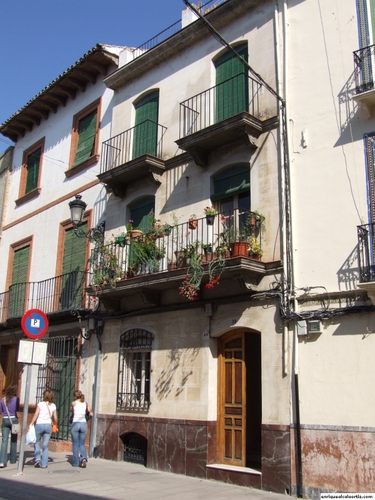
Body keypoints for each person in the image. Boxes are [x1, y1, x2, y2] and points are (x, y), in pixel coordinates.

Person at [29, 389, 58, 468]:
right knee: (45, 445)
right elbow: (55, 418)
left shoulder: (40, 404)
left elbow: (36, 415)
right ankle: (44, 464)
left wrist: (31, 424)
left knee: (37, 442)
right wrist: (55, 423)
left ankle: (38, 459)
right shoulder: (53, 405)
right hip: (48, 425)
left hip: (39, 425)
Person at [70, 390, 93, 468]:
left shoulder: (73, 403)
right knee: (82, 444)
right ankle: (83, 458)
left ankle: (76, 463)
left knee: (75, 445)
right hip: (83, 424)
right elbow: (91, 412)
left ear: (75, 396)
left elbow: (72, 412)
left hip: (75, 424)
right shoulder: (86, 404)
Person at [0, 385, 20, 467]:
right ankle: (13, 459)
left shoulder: (2, 400)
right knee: (13, 440)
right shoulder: (16, 399)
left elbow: (0, 411)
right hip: (13, 420)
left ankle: (2, 461)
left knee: (4, 441)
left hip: (5, 419)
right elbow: (17, 409)